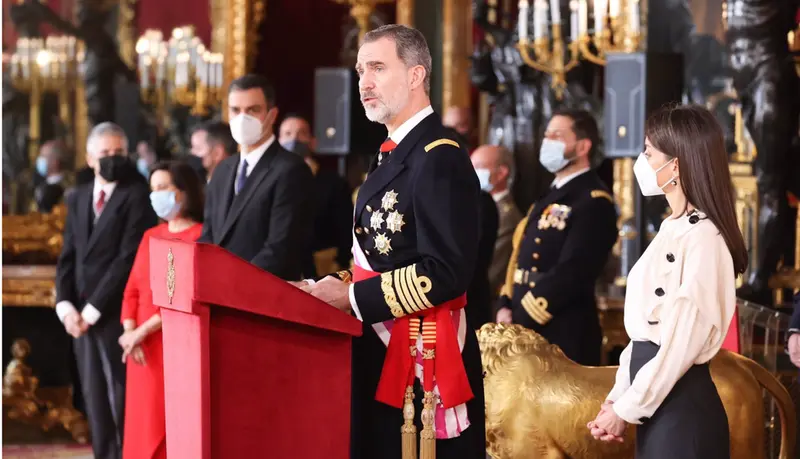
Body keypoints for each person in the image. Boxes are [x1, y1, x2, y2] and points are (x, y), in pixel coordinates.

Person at [299, 24, 486, 459]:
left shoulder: (438, 156)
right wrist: (330, 286)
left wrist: (352, 297)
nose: (364, 83)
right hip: (381, 342)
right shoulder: (392, 152)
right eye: (362, 70)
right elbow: (381, 256)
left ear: (416, 75)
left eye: (378, 68)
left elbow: (446, 271)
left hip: (421, 350)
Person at [588, 104, 748, 459]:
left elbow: (679, 347)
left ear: (674, 164)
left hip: (682, 411)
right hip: (659, 407)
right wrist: (618, 399)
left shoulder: (705, 237)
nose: (640, 162)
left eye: (647, 153)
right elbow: (645, 336)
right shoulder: (672, 226)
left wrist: (627, 409)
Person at [55, 122, 158, 459]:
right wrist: (65, 306)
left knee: (121, 401)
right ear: (89, 158)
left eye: (119, 153)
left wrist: (91, 310)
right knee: (94, 402)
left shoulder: (137, 195)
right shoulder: (79, 195)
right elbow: (68, 255)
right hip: (80, 316)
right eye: (105, 154)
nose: (113, 159)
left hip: (115, 313)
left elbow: (126, 259)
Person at [495, 109, 618, 365]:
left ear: (583, 146)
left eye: (557, 135)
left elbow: (574, 270)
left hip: (561, 330)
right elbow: (518, 257)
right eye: (547, 134)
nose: (547, 141)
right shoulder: (548, 196)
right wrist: (505, 303)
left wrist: (523, 314)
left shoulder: (592, 200)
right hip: (523, 324)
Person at [118, 161, 204, 459]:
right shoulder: (150, 235)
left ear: (182, 192)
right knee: (139, 426)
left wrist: (140, 333)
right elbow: (132, 289)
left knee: (167, 424)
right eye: (152, 189)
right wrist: (130, 332)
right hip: (140, 348)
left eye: (162, 188)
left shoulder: (199, 236)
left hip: (172, 345)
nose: (155, 195)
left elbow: (182, 297)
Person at [199, 75, 314, 280]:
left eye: (253, 110)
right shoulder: (223, 169)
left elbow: (280, 249)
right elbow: (208, 236)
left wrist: (230, 281)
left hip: (263, 296)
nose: (243, 118)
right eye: (235, 110)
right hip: (219, 297)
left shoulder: (291, 170)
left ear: (272, 114)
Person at [278, 114, 353, 275]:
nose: (294, 139)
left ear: (312, 142)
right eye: (288, 134)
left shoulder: (334, 183)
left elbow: (345, 231)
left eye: (301, 133)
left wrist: (339, 266)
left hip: (322, 269)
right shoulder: (270, 181)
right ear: (278, 141)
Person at [470, 144, 522, 299]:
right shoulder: (475, 205)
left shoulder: (508, 217)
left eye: (478, 167)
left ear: (501, 173)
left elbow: (491, 271)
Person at [34, 139, 68, 212]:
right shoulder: (39, 185)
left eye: (43, 156)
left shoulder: (69, 188)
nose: (39, 160)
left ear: (55, 161)